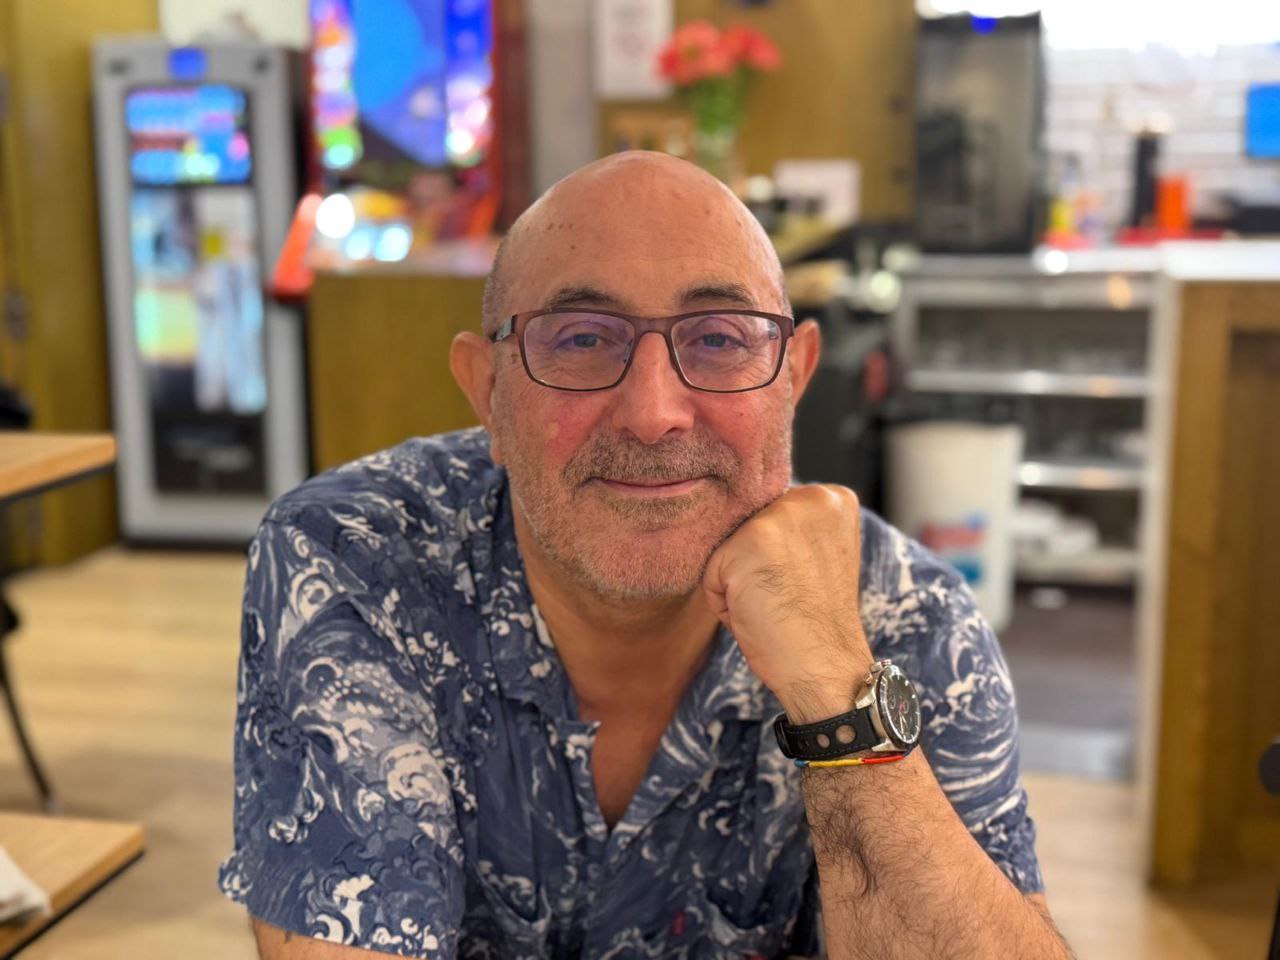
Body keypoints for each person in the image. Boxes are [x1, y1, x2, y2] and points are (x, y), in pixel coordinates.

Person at [220, 152, 1071, 959]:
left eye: (719, 339)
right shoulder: (356, 563)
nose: (654, 413)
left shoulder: (907, 618)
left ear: (793, 378)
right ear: (488, 391)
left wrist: (837, 696)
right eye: (582, 339)